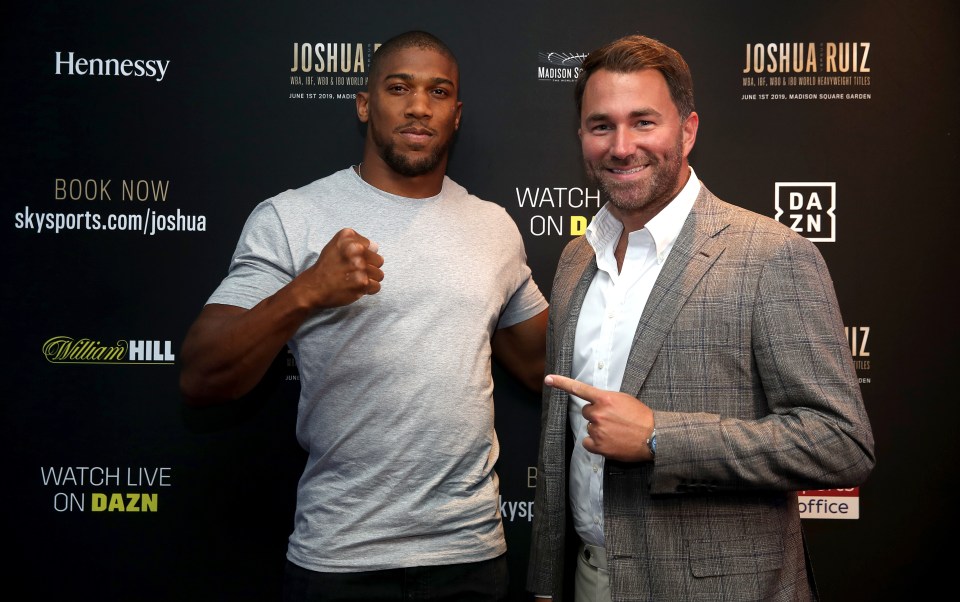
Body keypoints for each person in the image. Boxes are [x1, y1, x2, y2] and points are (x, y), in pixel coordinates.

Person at [179, 30, 548, 601]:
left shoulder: (493, 226)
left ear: (456, 113)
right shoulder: (292, 217)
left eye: (438, 92)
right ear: (364, 103)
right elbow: (202, 377)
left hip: (471, 554)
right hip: (340, 557)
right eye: (398, 87)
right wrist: (306, 292)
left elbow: (541, 363)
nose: (419, 106)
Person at [526, 34, 875, 601]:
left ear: (687, 130)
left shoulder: (770, 254)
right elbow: (558, 439)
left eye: (644, 122)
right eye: (600, 126)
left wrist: (662, 437)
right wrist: (547, 579)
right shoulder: (576, 258)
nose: (621, 146)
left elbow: (841, 443)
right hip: (588, 577)